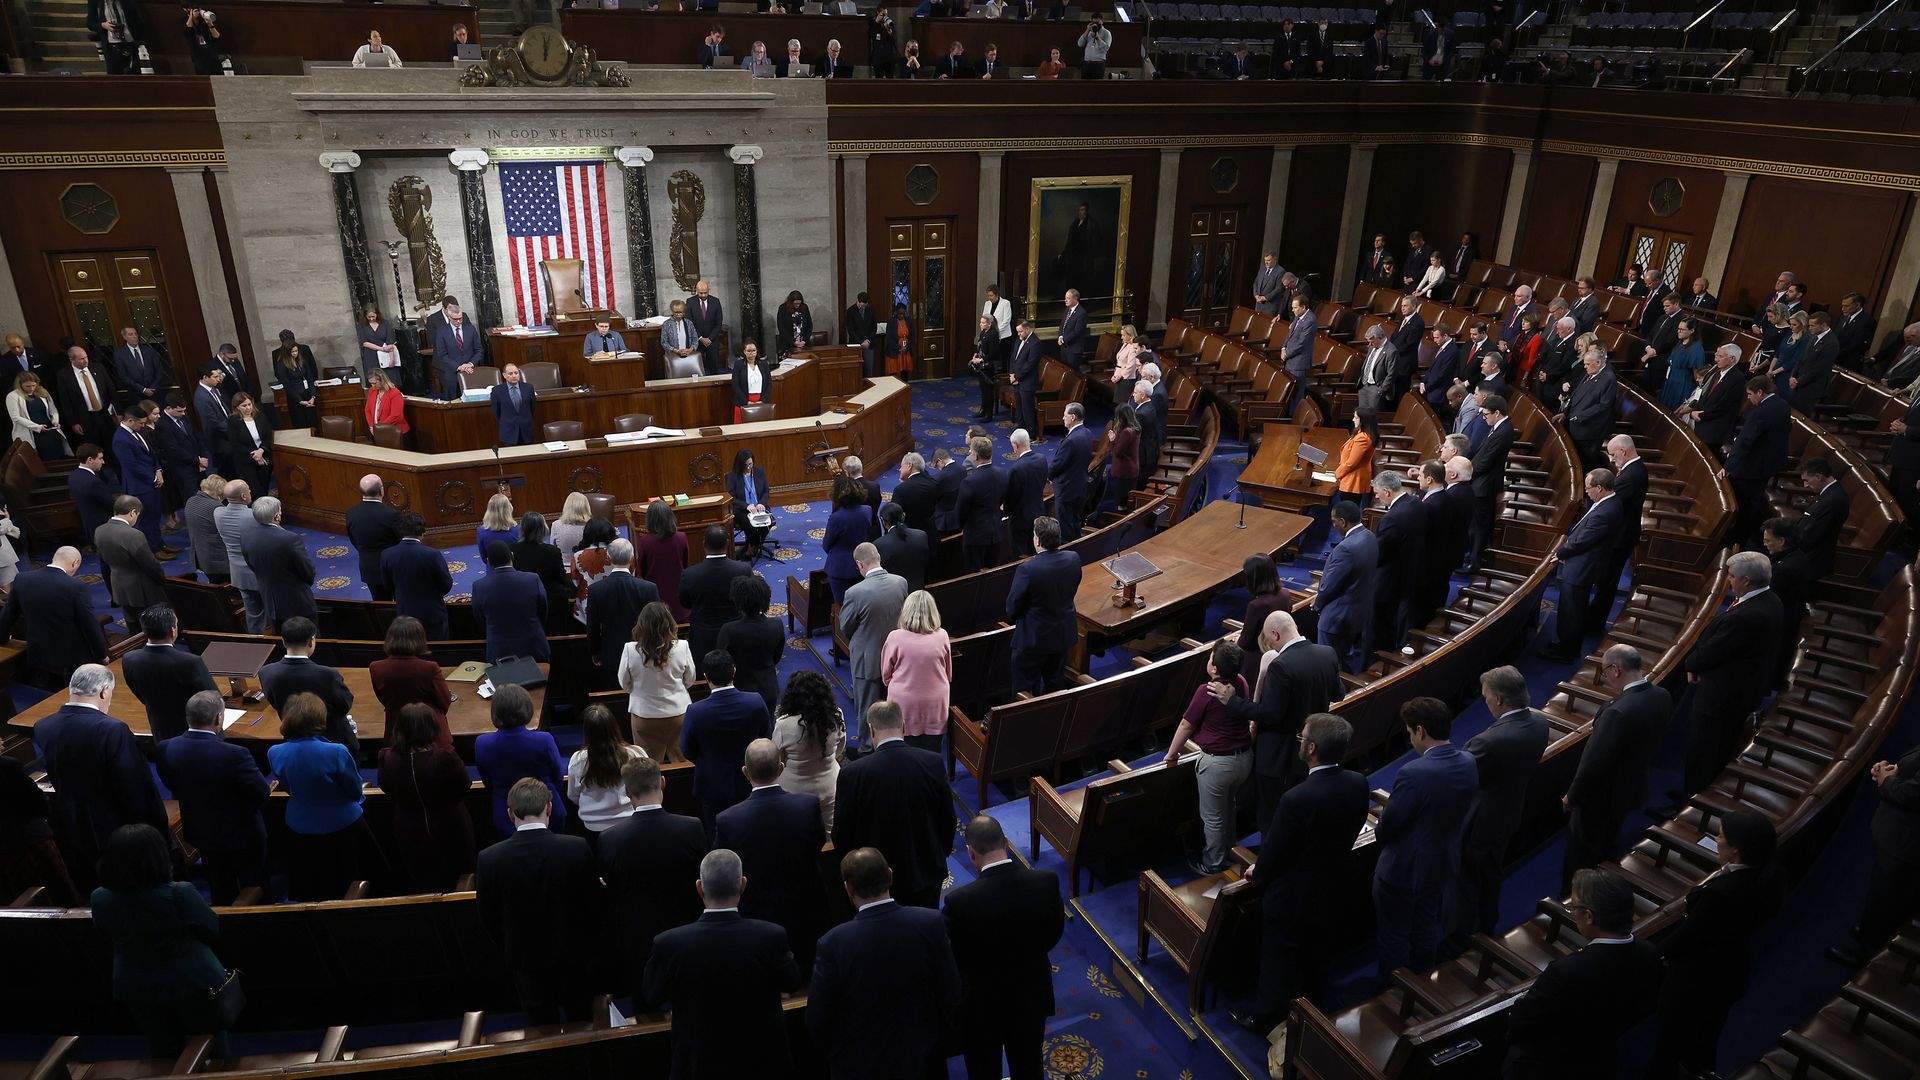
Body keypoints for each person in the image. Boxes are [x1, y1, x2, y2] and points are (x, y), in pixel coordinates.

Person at [1233, 713, 1371, 1034]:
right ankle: (1312, 1006)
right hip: (1334, 885)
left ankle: (1265, 1016)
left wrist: (1258, 874)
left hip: (1292, 894)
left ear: (1311, 748)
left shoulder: (1297, 798)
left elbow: (1276, 852)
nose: (1299, 742)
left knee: (1277, 957)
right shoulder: (1357, 782)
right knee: (1316, 951)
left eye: (1302, 738)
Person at [643, 848, 802, 1077]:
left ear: (700, 887)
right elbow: (792, 982)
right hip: (761, 1064)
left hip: (698, 1066)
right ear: (743, 885)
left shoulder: (669, 944)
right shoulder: (770, 936)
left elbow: (651, 995)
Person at [1644, 812, 1779, 1078]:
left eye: (1720, 836)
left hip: (1696, 979)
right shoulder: (1772, 874)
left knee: (1671, 1041)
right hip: (1733, 969)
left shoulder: (1722, 894)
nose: (1716, 840)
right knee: (1708, 1032)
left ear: (1736, 850)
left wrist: (1650, 954)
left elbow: (1688, 936)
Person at [808, 847, 962, 1077]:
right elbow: (951, 993)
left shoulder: (833, 943)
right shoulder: (930, 923)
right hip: (924, 1060)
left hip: (862, 1065)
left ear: (847, 888)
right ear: (890, 875)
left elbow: (818, 1020)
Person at [89, 823, 234, 1061]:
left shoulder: (99, 897)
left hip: (135, 983)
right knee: (214, 1045)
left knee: (164, 1050)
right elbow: (212, 928)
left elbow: (104, 931)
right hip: (192, 981)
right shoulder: (179, 893)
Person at [943, 815, 1066, 1080]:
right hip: (1031, 994)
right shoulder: (1045, 882)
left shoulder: (959, 902)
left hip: (981, 1005)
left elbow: (955, 957)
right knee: (1029, 1065)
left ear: (970, 853)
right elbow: (1054, 933)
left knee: (983, 1069)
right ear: (1006, 843)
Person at [477, 778, 603, 1025]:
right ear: (549, 808)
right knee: (581, 1018)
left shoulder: (490, 858)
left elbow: (488, 917)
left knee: (541, 1025)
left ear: (511, 813)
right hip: (574, 955)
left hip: (525, 959)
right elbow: (593, 904)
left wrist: (510, 944)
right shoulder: (576, 848)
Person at [35, 665, 168, 892]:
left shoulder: (43, 726)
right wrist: (157, 832)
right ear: (105, 691)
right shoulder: (112, 730)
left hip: (72, 824)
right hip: (117, 828)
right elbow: (134, 786)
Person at [1668, 553, 1784, 807]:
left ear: (1746, 580)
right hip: (1739, 687)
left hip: (1723, 695)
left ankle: (1691, 802)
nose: (1728, 581)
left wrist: (1692, 664)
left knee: (1705, 748)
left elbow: (1713, 651)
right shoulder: (1771, 599)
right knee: (1714, 746)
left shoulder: (1745, 616)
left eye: (1731, 577)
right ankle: (1694, 791)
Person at [1373, 697, 1477, 979]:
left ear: (1420, 731)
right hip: (1442, 861)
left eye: (1409, 733)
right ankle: (1422, 985)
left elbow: (1389, 825)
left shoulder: (1415, 772)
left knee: (1394, 935)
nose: (1410, 739)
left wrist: (1380, 826)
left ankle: (1392, 995)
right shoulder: (1468, 761)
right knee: (1426, 926)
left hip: (1404, 868)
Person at [598, 755, 709, 1005]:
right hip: (686, 927)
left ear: (627, 792)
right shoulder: (691, 828)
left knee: (645, 1001)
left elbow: (612, 888)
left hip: (637, 935)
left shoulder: (610, 839)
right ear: (662, 783)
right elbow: (701, 878)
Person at [1450, 668, 1549, 947]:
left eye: (1485, 698)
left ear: (1499, 700)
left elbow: (1460, 779)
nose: (1484, 702)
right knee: (1491, 872)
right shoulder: (1540, 722)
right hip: (1509, 811)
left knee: (1467, 880)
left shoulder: (1489, 742)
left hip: (1481, 821)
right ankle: (1487, 922)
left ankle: (1461, 938)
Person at [1221, 610, 1342, 836]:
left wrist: (1233, 702)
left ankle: (1267, 859)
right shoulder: (1327, 653)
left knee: (1271, 815)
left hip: (1278, 755)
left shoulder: (1281, 665)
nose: (1271, 648)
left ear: (1275, 634)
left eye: (1269, 640)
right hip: (1312, 750)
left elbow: (1270, 714)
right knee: (1300, 810)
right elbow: (1339, 694)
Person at [1559, 644, 1668, 891]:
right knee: (1608, 841)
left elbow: (1593, 765)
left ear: (1616, 670)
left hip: (1600, 798)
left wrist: (1572, 796)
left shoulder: (1617, 712)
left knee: (1581, 854)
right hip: (1632, 786)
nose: (1605, 677)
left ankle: (1574, 899)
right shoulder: (1662, 696)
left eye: (1604, 671)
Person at [716, 740, 827, 972]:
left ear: (745, 772)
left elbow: (725, 867)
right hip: (806, 906)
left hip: (756, 912)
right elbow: (818, 844)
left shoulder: (728, 819)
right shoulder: (807, 806)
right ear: (781, 768)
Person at [833, 701, 955, 909]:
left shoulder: (852, 774)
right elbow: (948, 821)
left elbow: (842, 835)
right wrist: (935, 854)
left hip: (874, 881)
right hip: (925, 872)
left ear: (871, 730)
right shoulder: (932, 762)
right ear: (904, 726)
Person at [155, 690, 269, 905]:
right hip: (242, 832)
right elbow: (261, 793)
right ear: (219, 718)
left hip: (201, 830)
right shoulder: (235, 754)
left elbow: (171, 783)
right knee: (255, 885)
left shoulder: (165, 748)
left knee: (219, 885)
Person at [268, 691, 376, 900]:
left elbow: (289, 788)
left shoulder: (275, 752)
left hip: (300, 827)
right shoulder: (336, 751)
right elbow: (354, 790)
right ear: (319, 718)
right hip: (343, 826)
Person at [1164, 641, 1251, 875]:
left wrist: (1171, 754)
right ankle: (1230, 852)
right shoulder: (1240, 682)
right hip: (1243, 759)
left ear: (1215, 669)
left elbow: (1186, 725)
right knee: (1229, 807)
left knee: (1212, 817)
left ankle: (1212, 864)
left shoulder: (1207, 690)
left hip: (1218, 764)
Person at [1830, 742, 1920, 969]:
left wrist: (1885, 780)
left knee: (1888, 897)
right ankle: (1871, 932)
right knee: (1883, 891)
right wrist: (1893, 770)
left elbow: (1911, 794)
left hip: (1908, 844)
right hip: (1900, 837)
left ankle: (1868, 953)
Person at [375, 702, 474, 894]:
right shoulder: (445, 757)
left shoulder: (387, 758)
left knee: (421, 877)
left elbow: (386, 788)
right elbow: (464, 785)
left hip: (408, 826)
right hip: (450, 824)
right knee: (459, 874)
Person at [682, 651, 772, 831]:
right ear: (734, 671)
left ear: (706, 677)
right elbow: (766, 737)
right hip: (750, 780)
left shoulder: (695, 711)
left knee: (715, 834)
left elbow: (687, 749)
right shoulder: (755, 701)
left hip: (712, 785)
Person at [1545, 468, 1627, 662]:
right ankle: (1564, 644)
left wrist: (1562, 552)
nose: (1587, 492)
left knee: (1572, 611)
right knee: (1570, 609)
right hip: (1582, 564)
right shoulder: (1608, 503)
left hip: (1582, 568)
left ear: (1599, 488)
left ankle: (1567, 652)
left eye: (1589, 488)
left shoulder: (1606, 510)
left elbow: (1583, 540)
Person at [258, 616, 359, 755]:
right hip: (333, 742)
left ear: (283, 641)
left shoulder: (266, 672)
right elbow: (344, 705)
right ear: (311, 641)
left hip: (293, 742)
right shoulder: (328, 675)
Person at [1007, 517, 1080, 697]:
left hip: (1034, 638)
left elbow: (1012, 607)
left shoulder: (1028, 569)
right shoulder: (1073, 558)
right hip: (1062, 633)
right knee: (1054, 685)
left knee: (1024, 687)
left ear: (1037, 541)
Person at [121, 606, 216, 742]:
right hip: (196, 733)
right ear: (173, 630)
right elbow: (212, 699)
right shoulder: (190, 662)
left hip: (160, 730)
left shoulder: (129, 659)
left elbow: (140, 693)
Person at [878, 589, 952, 755]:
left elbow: (885, 675)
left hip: (905, 703)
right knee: (932, 753)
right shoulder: (943, 635)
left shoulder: (894, 637)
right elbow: (948, 673)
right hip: (936, 703)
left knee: (906, 753)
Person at [772, 669, 847, 832]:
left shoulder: (783, 725)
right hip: (831, 785)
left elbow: (777, 761)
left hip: (794, 791)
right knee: (830, 833)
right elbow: (840, 750)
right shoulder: (836, 716)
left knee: (798, 833)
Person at [1722, 376, 1789, 549]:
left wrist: (1728, 466)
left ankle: (1738, 538)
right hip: (1768, 463)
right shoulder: (1782, 404)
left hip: (1753, 466)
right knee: (1755, 499)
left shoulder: (1762, 412)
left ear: (1761, 392)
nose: (1749, 398)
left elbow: (1746, 441)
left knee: (1745, 502)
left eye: (1750, 394)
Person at [579, 536, 655, 687]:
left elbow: (592, 626)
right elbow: (656, 624)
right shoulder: (648, 588)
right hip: (644, 654)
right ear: (633, 558)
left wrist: (595, 651)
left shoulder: (596, 590)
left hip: (611, 654)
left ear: (608, 558)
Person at [368, 615, 454, 747]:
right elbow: (445, 701)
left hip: (397, 732)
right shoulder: (430, 668)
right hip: (431, 732)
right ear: (419, 639)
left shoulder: (376, 668)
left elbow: (384, 699)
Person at [680, 524, 752, 679]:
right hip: (736, 633)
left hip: (703, 636)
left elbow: (684, 602)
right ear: (727, 543)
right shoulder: (743, 569)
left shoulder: (690, 574)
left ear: (704, 544)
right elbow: (749, 599)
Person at [567, 704, 649, 837]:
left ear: (587, 732)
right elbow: (647, 787)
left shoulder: (578, 760)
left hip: (594, 825)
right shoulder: (636, 754)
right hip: (630, 820)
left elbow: (573, 795)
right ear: (614, 727)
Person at [1315, 500, 1377, 673]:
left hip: (1336, 618)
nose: (1334, 526)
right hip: (1357, 612)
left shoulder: (1346, 548)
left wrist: (1317, 605)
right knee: (1346, 657)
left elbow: (1329, 586)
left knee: (1327, 664)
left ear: (1343, 522)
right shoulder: (1370, 536)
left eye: (1334, 521)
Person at [97, 495, 168, 630]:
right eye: (137, 514)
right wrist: (162, 582)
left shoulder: (100, 530)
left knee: (132, 624)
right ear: (132, 512)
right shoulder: (133, 534)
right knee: (151, 625)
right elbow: (150, 564)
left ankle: (136, 648)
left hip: (118, 585)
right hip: (142, 589)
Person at [378, 512, 452, 640]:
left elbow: (387, 585)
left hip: (405, 613)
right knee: (438, 649)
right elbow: (446, 584)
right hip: (432, 613)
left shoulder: (387, 554)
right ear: (423, 531)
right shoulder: (432, 555)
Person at [719, 574, 783, 717]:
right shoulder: (777, 624)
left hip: (740, 690)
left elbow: (722, 661)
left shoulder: (729, 629)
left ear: (738, 601)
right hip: (769, 689)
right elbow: (776, 657)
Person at [473, 540, 548, 663]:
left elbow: (480, 619)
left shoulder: (479, 586)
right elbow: (543, 610)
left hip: (499, 650)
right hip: (533, 645)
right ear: (512, 556)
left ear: (489, 562)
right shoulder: (532, 579)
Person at [112, 406, 167, 553]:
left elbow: (151, 454)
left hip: (152, 482)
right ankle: (154, 550)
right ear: (130, 420)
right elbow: (132, 466)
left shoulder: (137, 432)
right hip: (140, 487)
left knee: (155, 516)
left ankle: (160, 544)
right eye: (141, 423)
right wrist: (153, 478)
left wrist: (158, 470)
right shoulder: (120, 439)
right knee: (146, 520)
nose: (143, 426)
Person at [1465, 394, 1512, 570]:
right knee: (1475, 525)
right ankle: (1471, 558)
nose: (1484, 418)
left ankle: (1474, 562)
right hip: (1482, 482)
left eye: (1486, 415)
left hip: (1484, 486)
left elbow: (1487, 461)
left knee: (1479, 526)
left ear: (1497, 413)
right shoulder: (1499, 427)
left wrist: (1467, 472)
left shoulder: (1504, 431)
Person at [340, 473, 402, 602]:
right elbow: (400, 541)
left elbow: (354, 540)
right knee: (401, 602)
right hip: (392, 568)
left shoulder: (351, 513)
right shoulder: (391, 514)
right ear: (381, 490)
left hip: (369, 568)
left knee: (381, 606)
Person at [955, 435, 1008, 571]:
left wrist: (961, 527)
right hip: (996, 531)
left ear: (976, 456)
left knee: (974, 573)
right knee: (993, 572)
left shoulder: (969, 482)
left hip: (975, 536)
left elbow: (961, 512)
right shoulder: (1003, 473)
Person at [152, 393, 204, 529]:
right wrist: (197, 460)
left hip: (197, 465)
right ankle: (196, 526)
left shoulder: (185, 418)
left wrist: (203, 456)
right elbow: (173, 449)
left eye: (184, 410)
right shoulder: (163, 425)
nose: (183, 413)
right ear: (168, 408)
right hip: (181, 468)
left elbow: (196, 437)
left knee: (202, 493)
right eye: (179, 411)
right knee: (191, 498)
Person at [52, 347, 116, 455]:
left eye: (86, 357)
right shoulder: (64, 375)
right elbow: (65, 401)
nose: (86, 360)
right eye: (81, 359)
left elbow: (111, 389)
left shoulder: (98, 368)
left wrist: (117, 412)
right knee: (92, 448)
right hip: (85, 418)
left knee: (110, 445)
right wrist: (73, 422)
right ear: (72, 360)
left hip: (104, 414)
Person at [1794, 457, 1850, 581]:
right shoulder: (1829, 493)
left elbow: (1813, 535)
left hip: (1812, 560)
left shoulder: (1833, 499)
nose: (1805, 485)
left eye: (1806, 480)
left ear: (1819, 477)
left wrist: (1789, 546)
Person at [823, 475, 874, 602]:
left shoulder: (836, 517)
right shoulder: (867, 510)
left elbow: (826, 545)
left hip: (840, 569)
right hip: (862, 564)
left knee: (843, 606)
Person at [1004, 429, 1048, 557]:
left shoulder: (1016, 469)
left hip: (1020, 520)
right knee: (1034, 550)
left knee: (1019, 555)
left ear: (1015, 445)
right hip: (1039, 512)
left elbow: (1011, 498)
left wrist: (1005, 511)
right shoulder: (1042, 459)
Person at [7, 371, 68, 461]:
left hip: (49, 430)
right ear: (20, 385)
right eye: (28, 386)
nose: (31, 388)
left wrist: (55, 421)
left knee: (57, 456)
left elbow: (53, 410)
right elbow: (15, 417)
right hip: (31, 432)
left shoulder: (42, 392)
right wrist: (37, 427)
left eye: (33, 385)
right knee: (39, 459)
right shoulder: (13, 396)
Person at [224, 392, 274, 499]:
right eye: (244, 406)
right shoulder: (233, 421)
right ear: (237, 407)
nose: (248, 408)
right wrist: (255, 455)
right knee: (255, 491)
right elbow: (235, 444)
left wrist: (261, 450)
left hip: (264, 458)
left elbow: (268, 436)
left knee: (264, 486)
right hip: (245, 462)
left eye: (249, 404)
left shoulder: (260, 416)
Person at [876, 503, 931, 594]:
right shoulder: (921, 535)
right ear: (903, 516)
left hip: (895, 594)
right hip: (919, 590)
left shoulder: (879, 544)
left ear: (883, 521)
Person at [726, 449, 772, 557]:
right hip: (742, 509)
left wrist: (762, 503)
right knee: (750, 524)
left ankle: (753, 545)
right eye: (746, 465)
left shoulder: (759, 472)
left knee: (767, 522)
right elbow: (731, 497)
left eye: (751, 464)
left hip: (759, 507)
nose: (749, 467)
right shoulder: (733, 476)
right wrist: (747, 506)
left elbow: (766, 491)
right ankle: (753, 546)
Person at [431, 303, 482, 399]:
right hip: (451, 373)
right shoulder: (441, 332)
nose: (458, 321)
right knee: (453, 400)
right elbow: (441, 355)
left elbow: (479, 350)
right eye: (455, 319)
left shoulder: (470, 329)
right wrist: (459, 367)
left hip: (470, 371)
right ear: (449, 317)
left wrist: (470, 364)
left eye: (460, 318)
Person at [1335, 406, 1377, 505]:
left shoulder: (1363, 438)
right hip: (1351, 478)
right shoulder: (1360, 433)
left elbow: (1351, 463)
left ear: (1363, 420)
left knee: (1347, 510)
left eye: (1356, 417)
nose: (1353, 420)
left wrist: (1338, 473)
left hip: (1352, 481)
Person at [489, 362, 537, 447]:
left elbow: (532, 408)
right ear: (504, 375)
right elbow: (496, 412)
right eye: (510, 374)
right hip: (509, 432)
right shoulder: (497, 391)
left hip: (526, 431)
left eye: (516, 373)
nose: (514, 376)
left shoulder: (529, 388)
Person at [686, 280, 727, 374]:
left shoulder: (715, 301)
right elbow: (690, 323)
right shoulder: (690, 302)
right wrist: (700, 338)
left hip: (712, 340)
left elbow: (718, 322)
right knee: (697, 368)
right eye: (701, 293)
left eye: (706, 292)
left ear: (709, 290)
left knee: (714, 367)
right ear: (696, 290)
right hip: (696, 341)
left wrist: (710, 338)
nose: (704, 295)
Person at [731, 341, 775, 424]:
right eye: (749, 351)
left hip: (761, 401)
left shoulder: (764, 364)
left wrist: (762, 401)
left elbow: (769, 384)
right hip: (743, 402)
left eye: (753, 350)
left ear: (757, 351)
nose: (751, 353)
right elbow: (735, 385)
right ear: (744, 352)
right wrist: (746, 402)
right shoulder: (738, 365)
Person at [882, 302, 916, 381]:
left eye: (903, 313)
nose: (901, 315)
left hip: (906, 351)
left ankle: (904, 387)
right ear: (896, 312)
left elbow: (912, 337)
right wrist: (899, 348)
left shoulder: (909, 322)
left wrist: (906, 347)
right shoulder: (891, 322)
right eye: (900, 313)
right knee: (894, 373)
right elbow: (889, 338)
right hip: (895, 350)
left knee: (905, 371)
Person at [1076, 11, 1111, 78]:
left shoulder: (1106, 33)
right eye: (1093, 23)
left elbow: (1105, 48)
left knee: (1096, 86)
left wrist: (1097, 37)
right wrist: (1087, 30)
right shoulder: (1089, 32)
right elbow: (1080, 44)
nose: (1096, 25)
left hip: (1098, 64)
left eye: (1097, 23)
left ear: (1102, 21)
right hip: (1086, 64)